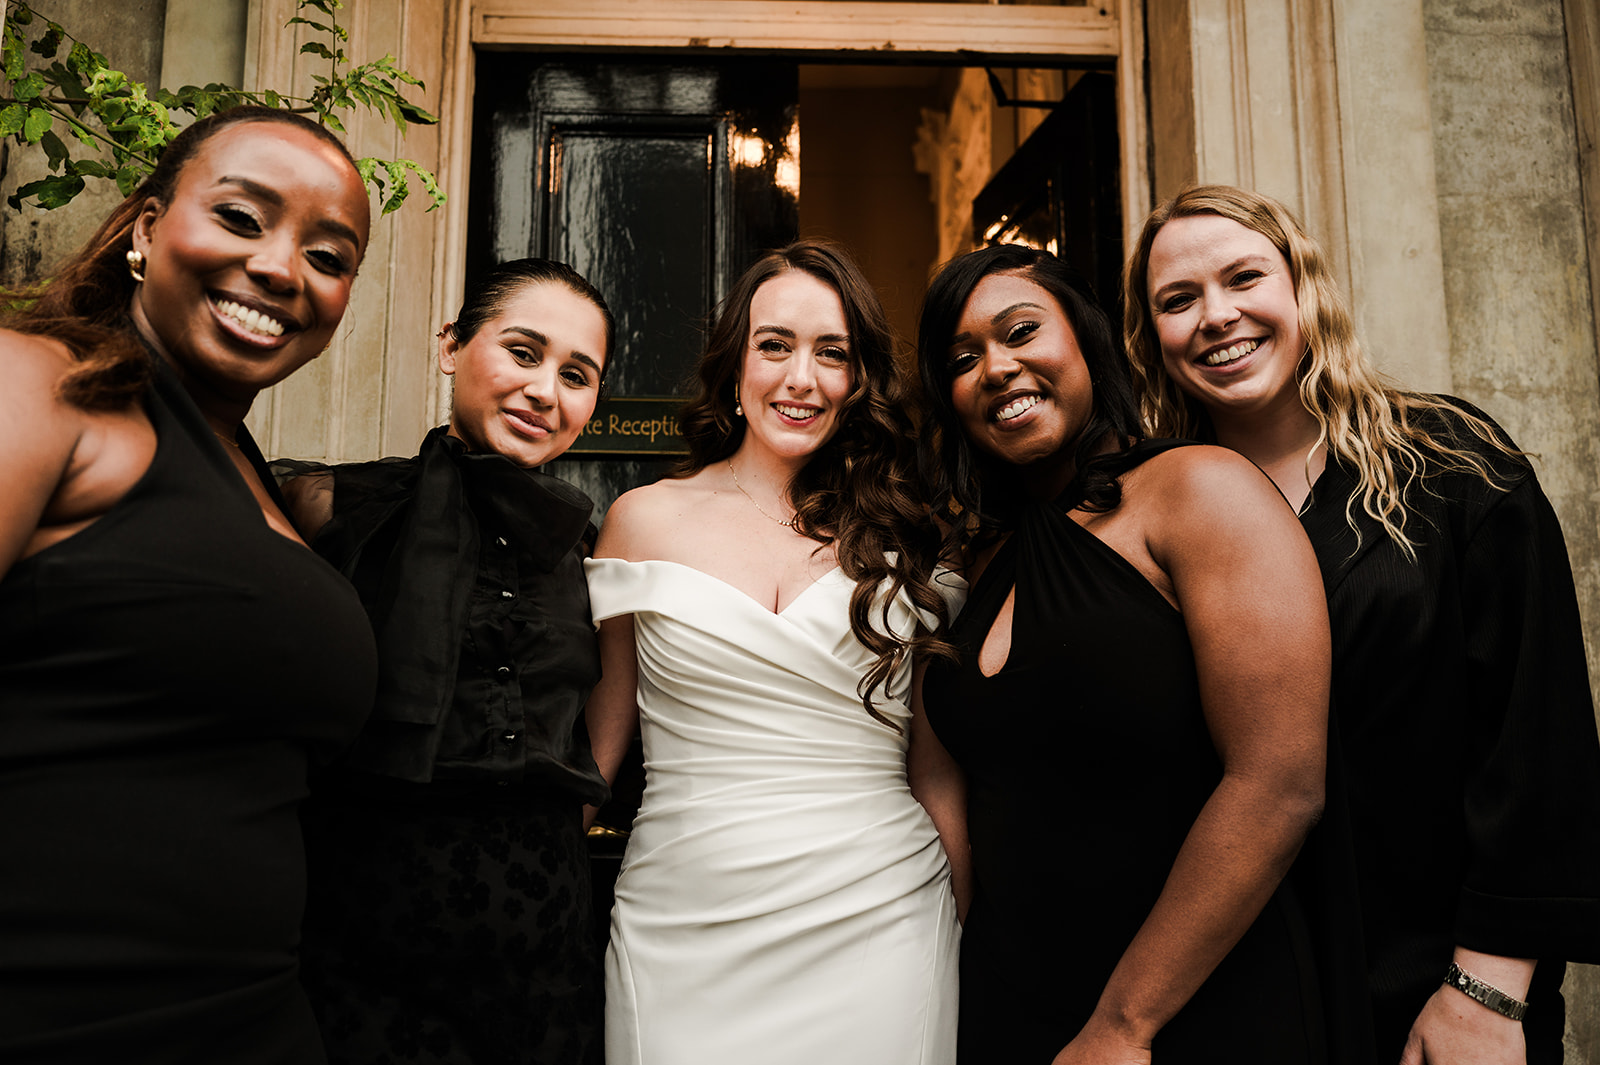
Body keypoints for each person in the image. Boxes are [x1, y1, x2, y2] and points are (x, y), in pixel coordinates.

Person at [1123, 184, 1600, 1065]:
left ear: (1303, 285)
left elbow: (1538, 740)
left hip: (1434, 996)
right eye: (1178, 300)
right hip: (1234, 1000)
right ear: (1150, 336)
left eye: (1243, 278)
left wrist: (1487, 990)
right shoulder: (1142, 510)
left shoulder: (1455, 465)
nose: (1216, 316)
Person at [915, 243, 1370, 1064]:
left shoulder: (1199, 489)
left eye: (1022, 331)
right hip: (1008, 1003)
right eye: (962, 357)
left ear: (1087, 340)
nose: (997, 366)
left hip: (1188, 1007)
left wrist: (1125, 1022)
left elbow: (1279, 783)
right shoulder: (974, 561)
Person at [0, 107, 377, 1063]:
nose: (284, 269)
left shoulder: (261, 483)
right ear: (145, 227)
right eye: (243, 219)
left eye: (329, 258)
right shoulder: (41, 386)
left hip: (251, 1022)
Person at [584, 239, 967, 1065]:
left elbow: (933, 762)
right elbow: (599, 747)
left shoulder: (908, 535)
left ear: (859, 378)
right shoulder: (641, 520)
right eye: (775, 345)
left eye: (832, 353)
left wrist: (979, 921)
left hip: (882, 914)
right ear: (733, 367)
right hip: (682, 920)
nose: (802, 378)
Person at [274, 259, 616, 1065]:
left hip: (543, 941)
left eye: (577, 374)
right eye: (523, 352)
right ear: (449, 347)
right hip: (365, 932)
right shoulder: (324, 505)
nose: (546, 391)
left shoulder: (586, 550)